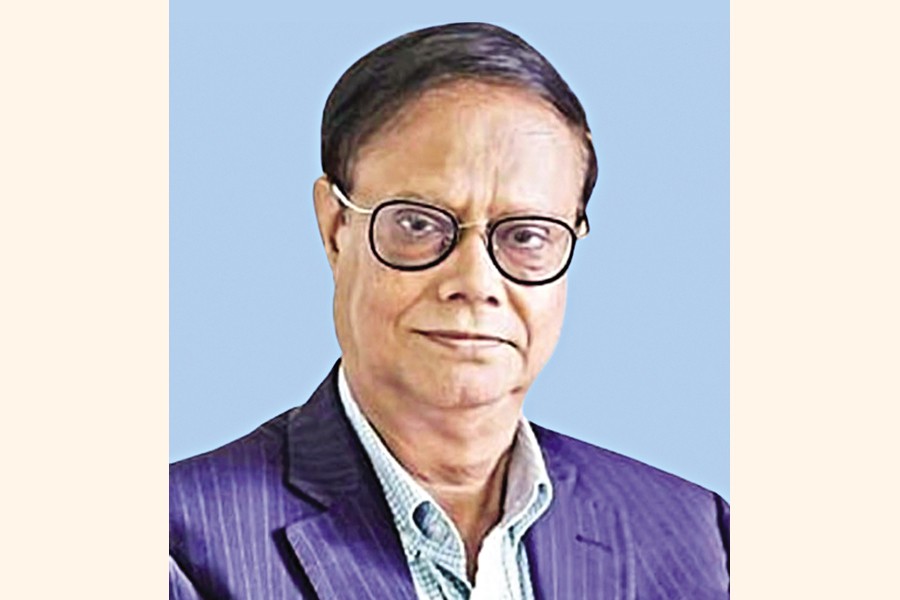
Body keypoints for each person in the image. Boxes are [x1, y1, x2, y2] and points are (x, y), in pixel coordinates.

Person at [169, 22, 729, 600]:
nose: (475, 283)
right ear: (336, 228)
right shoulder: (179, 545)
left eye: (526, 235)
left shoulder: (695, 536)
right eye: (418, 225)